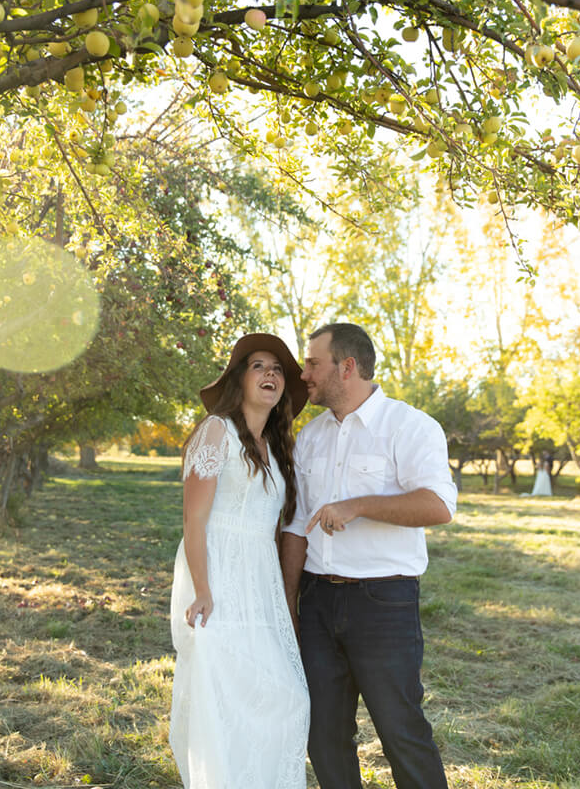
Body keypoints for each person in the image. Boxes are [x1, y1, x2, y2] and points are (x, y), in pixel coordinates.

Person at [279, 323, 457, 789]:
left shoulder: (410, 426)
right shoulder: (310, 437)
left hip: (384, 604)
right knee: (323, 734)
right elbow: (297, 525)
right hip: (317, 602)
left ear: (348, 366)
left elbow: (439, 507)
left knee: (401, 731)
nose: (304, 374)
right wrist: (289, 604)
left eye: (313, 363)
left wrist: (357, 506)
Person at [169, 333, 311, 789]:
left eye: (277, 370)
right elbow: (194, 520)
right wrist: (204, 589)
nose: (270, 375)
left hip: (260, 581)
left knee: (284, 695)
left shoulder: (277, 446)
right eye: (259, 366)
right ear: (239, 379)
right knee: (224, 696)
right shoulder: (217, 430)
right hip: (218, 578)